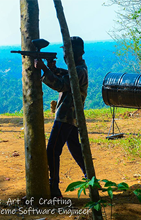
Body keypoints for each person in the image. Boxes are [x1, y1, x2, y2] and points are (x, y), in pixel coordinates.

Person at [34, 36, 88, 198]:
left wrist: (45, 69)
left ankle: (54, 187)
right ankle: (89, 176)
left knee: (52, 151)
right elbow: (66, 76)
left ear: (73, 53)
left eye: (66, 52)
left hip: (66, 116)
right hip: (72, 116)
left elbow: (61, 84)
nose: (64, 55)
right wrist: (52, 68)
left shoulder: (79, 70)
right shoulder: (80, 68)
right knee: (74, 146)